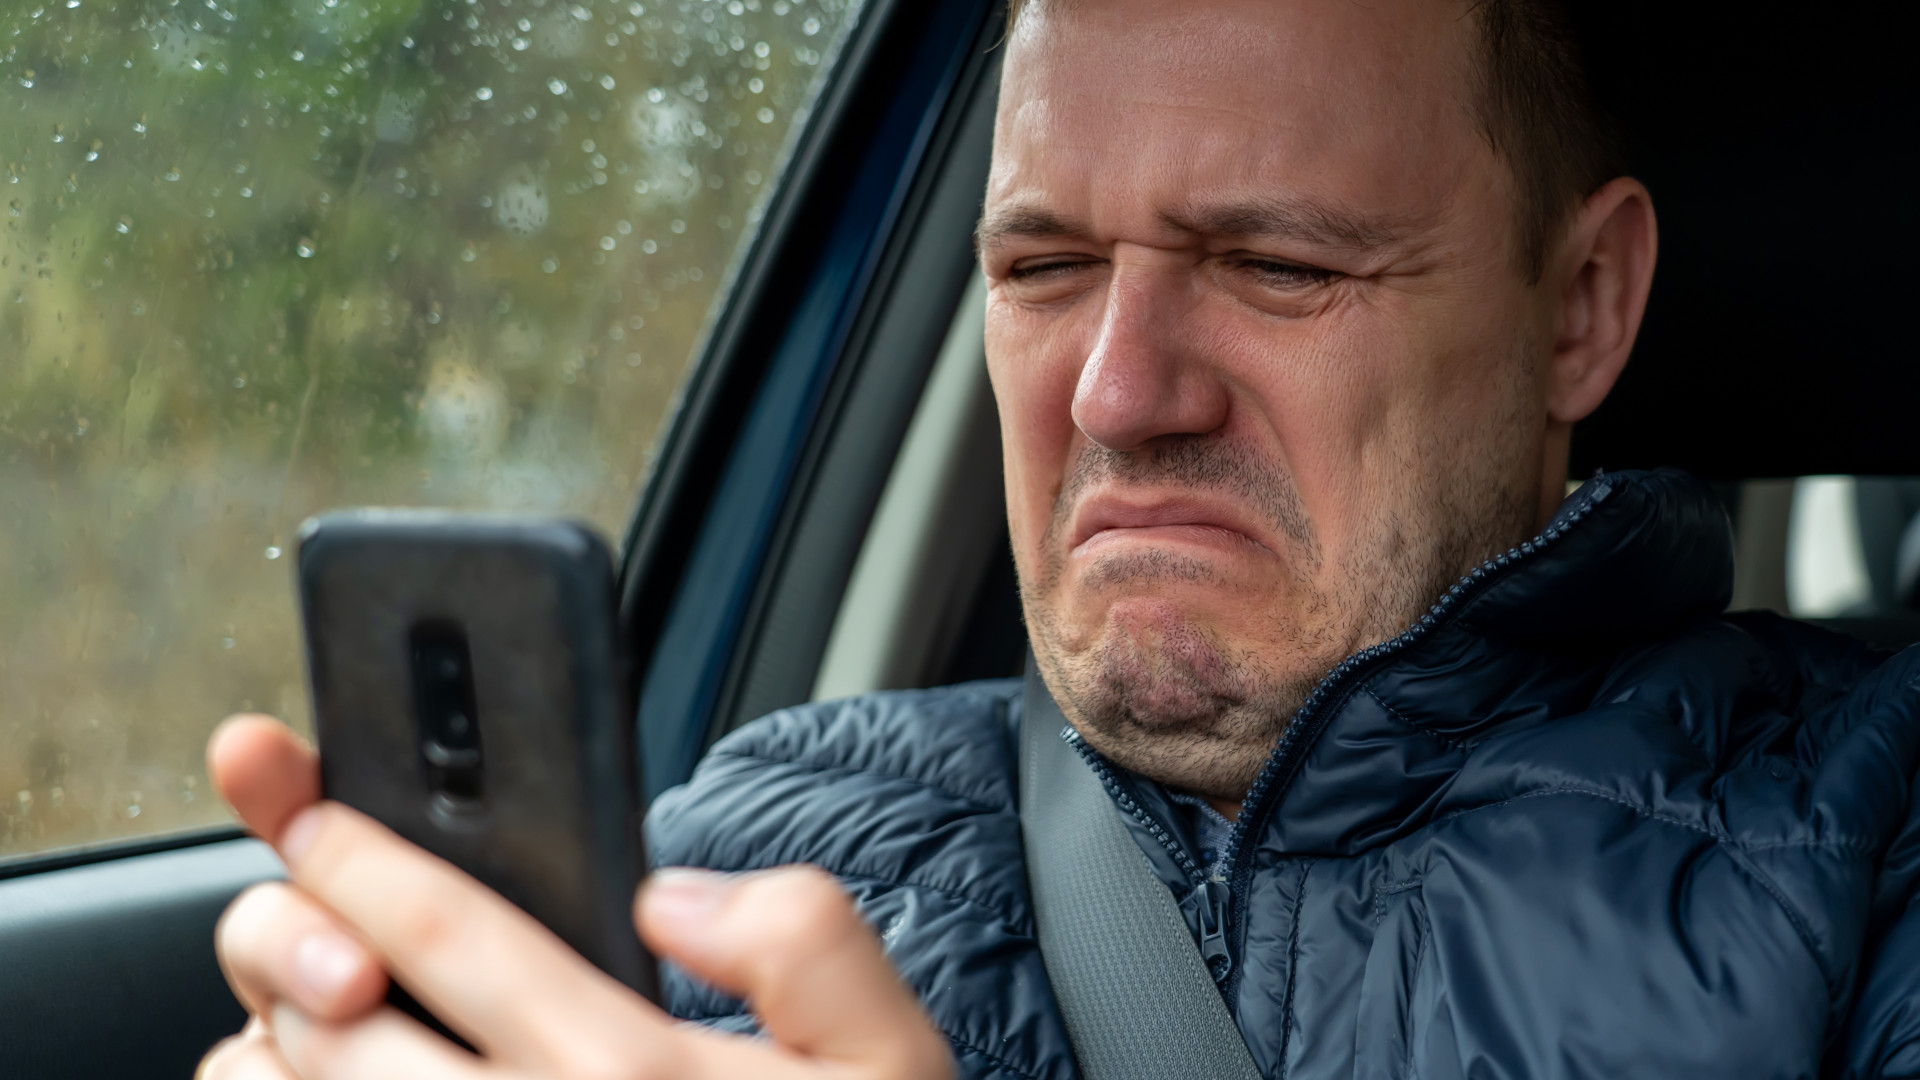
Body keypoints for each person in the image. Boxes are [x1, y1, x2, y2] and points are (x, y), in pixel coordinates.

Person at [197, 0, 1920, 1077]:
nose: (1115, 392)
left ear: (1584, 306)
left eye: (1278, 266)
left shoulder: (1877, 845)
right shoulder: (748, 843)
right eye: (1042, 270)